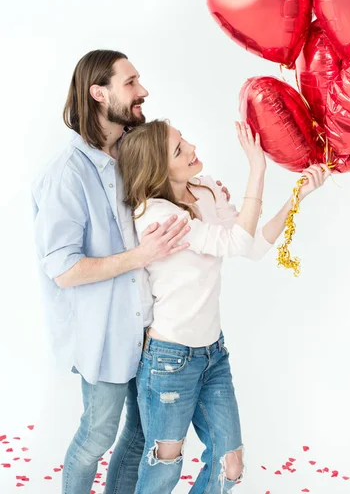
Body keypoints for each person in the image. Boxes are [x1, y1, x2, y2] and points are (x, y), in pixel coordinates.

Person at [32, 50, 231, 494]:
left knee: (141, 435)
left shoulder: (130, 150)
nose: (143, 92)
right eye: (131, 82)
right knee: (97, 436)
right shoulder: (67, 175)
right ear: (98, 94)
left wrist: (208, 193)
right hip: (102, 337)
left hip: (153, 333)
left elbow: (166, 191)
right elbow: (63, 270)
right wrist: (140, 255)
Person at [118, 119, 330, 493]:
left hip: (212, 354)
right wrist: (257, 168)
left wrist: (297, 197)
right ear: (157, 167)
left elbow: (250, 247)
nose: (191, 148)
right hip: (169, 360)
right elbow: (235, 241)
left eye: (184, 140)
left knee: (230, 463)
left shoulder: (206, 192)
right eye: (179, 150)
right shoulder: (157, 215)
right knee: (164, 466)